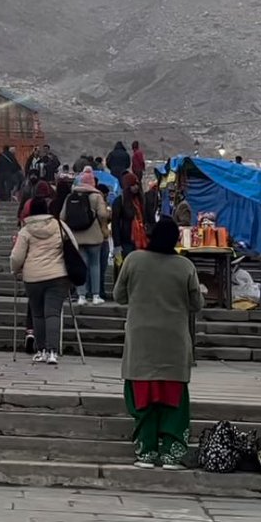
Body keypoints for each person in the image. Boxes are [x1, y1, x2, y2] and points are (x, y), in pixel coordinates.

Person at [113, 217, 203, 468]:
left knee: (142, 397)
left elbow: (118, 295)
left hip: (141, 342)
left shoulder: (133, 260)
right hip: (173, 344)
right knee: (173, 399)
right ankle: (172, 453)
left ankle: (146, 452)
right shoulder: (185, 267)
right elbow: (196, 304)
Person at [10, 196, 77, 365]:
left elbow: (17, 256)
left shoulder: (26, 230)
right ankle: (53, 351)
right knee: (53, 313)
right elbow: (74, 246)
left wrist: (14, 269)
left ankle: (41, 350)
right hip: (58, 275)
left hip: (33, 277)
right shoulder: (59, 225)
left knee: (38, 314)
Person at [61, 168, 108, 304]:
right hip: (94, 236)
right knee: (95, 265)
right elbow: (103, 214)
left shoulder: (71, 196)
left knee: (82, 265)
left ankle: (81, 295)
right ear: (93, 182)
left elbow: (62, 216)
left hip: (77, 236)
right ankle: (95, 295)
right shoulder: (96, 196)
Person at [112, 172, 147, 260]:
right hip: (126, 240)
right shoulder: (120, 201)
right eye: (133, 185)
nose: (136, 187)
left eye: (137, 184)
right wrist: (117, 245)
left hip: (141, 239)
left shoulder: (140, 200)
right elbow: (115, 224)